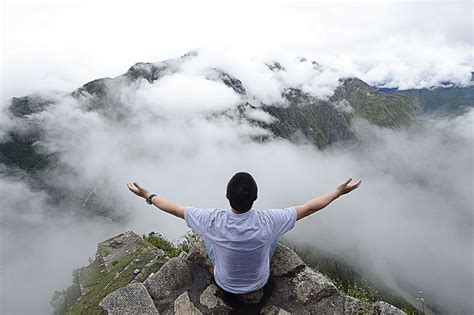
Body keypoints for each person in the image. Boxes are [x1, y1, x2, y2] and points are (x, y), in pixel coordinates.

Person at [127, 172, 361, 295]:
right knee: (274, 236)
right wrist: (337, 192)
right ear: (255, 197)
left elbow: (176, 209)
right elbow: (309, 207)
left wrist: (149, 196)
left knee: (207, 235)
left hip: (224, 283)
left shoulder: (213, 220)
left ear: (227, 196)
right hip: (259, 281)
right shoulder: (269, 221)